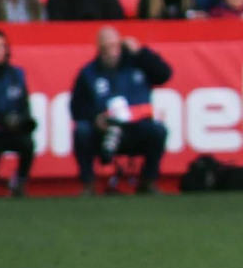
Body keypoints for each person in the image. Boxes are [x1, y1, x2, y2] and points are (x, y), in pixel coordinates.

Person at [70, 26, 170, 194]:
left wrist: (140, 52)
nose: (111, 52)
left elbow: (164, 75)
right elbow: (76, 108)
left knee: (158, 130)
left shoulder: (136, 63)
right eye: (106, 47)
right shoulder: (88, 73)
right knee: (81, 131)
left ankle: (148, 181)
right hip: (104, 130)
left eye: (115, 46)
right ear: (99, 49)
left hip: (135, 129)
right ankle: (88, 184)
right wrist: (95, 119)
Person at [0, 27, 36, 194]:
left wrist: (20, 120)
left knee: (27, 142)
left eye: (1, 46)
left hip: (9, 130)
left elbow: (24, 105)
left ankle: (20, 182)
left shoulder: (15, 75)